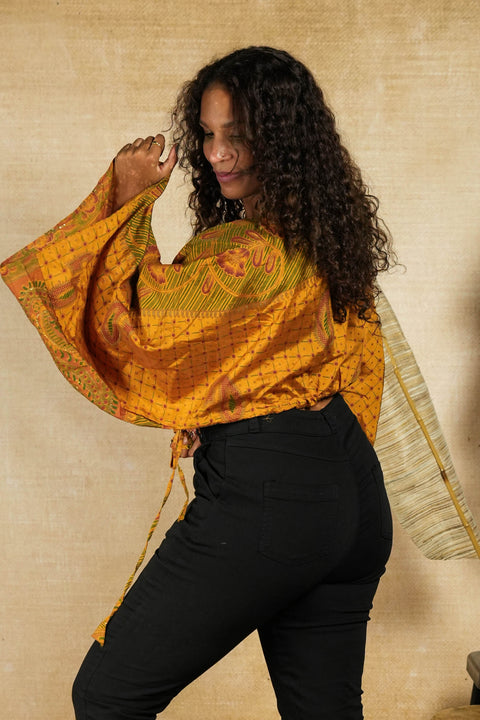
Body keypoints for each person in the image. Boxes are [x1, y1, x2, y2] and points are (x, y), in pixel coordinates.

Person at [1, 47, 394, 719]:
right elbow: (315, 355)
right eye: (208, 135)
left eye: (238, 135)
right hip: (349, 488)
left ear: (283, 138)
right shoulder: (320, 237)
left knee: (106, 694)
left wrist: (126, 197)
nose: (217, 154)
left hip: (270, 491)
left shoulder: (252, 253)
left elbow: (141, 324)